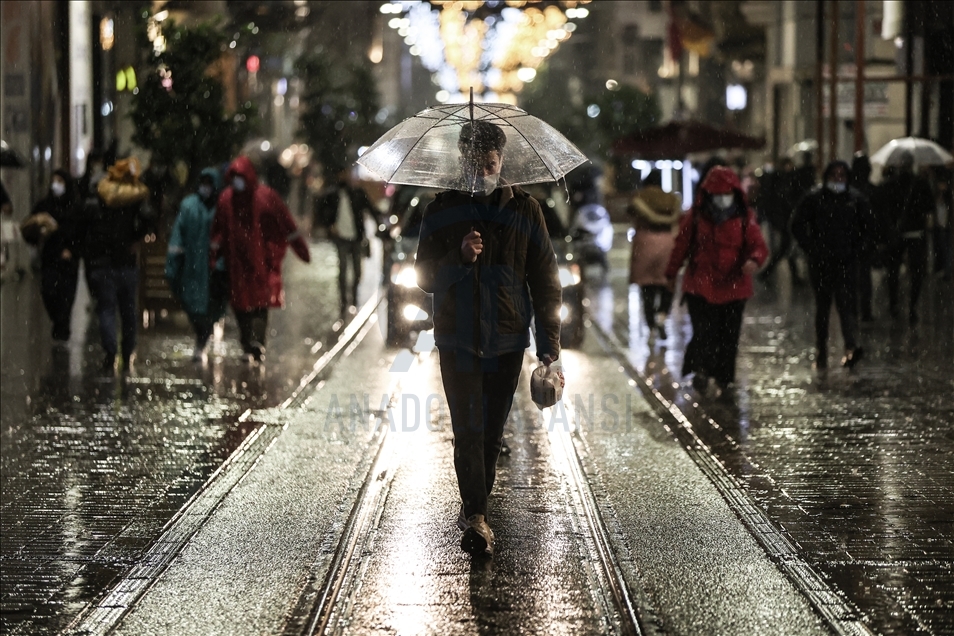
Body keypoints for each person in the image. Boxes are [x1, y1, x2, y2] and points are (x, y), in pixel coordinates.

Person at [415, 120, 562, 557]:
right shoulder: (441, 210)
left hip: (507, 339)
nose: (483, 171)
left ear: (501, 162)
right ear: (463, 161)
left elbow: (546, 280)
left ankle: (477, 509)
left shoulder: (526, 210)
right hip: (458, 337)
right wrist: (459, 258)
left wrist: (549, 344)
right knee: (468, 428)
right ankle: (476, 515)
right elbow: (423, 277)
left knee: (491, 433)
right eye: (475, 163)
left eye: (491, 163)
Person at [665, 165, 768, 396]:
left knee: (728, 337)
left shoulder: (744, 217)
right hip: (701, 286)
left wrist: (754, 260)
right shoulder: (696, 216)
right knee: (704, 333)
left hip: (735, 287)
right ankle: (702, 369)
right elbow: (681, 246)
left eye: (726, 194)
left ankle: (724, 379)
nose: (722, 199)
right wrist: (671, 274)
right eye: (717, 194)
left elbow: (758, 245)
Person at [210, 156, 311, 362]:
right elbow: (218, 232)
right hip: (236, 263)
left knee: (258, 302)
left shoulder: (264, 197)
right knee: (241, 303)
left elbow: (286, 225)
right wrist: (213, 257)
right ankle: (249, 343)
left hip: (261, 261)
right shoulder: (227, 200)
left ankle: (255, 343)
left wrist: (300, 250)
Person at [791, 160, 874, 370]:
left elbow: (868, 227)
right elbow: (797, 224)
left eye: (842, 175)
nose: (838, 179)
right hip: (821, 263)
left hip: (845, 261)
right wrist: (811, 248)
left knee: (846, 305)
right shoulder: (814, 198)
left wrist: (856, 249)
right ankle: (821, 350)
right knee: (823, 307)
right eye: (834, 175)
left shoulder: (855, 200)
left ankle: (850, 346)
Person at [78, 157, 152, 375]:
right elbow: (148, 219)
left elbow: (86, 226)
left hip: (104, 263)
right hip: (126, 263)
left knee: (107, 310)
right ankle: (127, 352)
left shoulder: (100, 194)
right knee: (128, 311)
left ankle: (111, 352)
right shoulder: (133, 198)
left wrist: (92, 252)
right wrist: (135, 238)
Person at [166, 168, 227, 361]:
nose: (206, 189)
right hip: (192, 267)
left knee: (211, 307)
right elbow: (179, 234)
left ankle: (202, 340)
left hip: (212, 269)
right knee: (194, 307)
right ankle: (201, 338)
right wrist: (173, 264)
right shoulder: (189, 206)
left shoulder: (221, 206)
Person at [879, 152, 935, 324]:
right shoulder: (921, 183)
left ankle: (894, 304)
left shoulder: (889, 185)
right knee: (916, 272)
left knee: (893, 271)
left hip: (896, 234)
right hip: (915, 233)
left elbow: (883, 210)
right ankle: (912, 306)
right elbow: (929, 207)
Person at [628, 170, 682, 340]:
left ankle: (651, 326)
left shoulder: (640, 198)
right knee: (667, 284)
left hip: (644, 244)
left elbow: (631, 216)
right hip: (667, 244)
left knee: (647, 288)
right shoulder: (671, 199)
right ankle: (662, 315)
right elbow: (678, 220)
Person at [30, 170, 81, 344]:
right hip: (50, 259)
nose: (56, 185)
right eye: (54, 181)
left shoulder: (75, 207)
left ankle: (62, 329)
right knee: (49, 292)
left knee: (66, 298)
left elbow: (81, 234)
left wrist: (72, 250)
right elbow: (31, 227)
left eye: (60, 181)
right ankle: (59, 325)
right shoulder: (44, 206)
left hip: (68, 263)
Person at [315, 169, 376, 316]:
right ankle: (344, 302)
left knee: (357, 271)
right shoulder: (332, 195)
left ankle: (354, 299)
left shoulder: (357, 193)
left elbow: (371, 210)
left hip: (356, 237)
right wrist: (330, 226)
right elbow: (322, 212)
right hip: (341, 238)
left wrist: (383, 224)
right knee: (343, 270)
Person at [757, 156, 800, 283]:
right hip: (785, 222)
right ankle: (767, 273)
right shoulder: (780, 182)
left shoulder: (786, 181)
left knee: (786, 249)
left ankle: (771, 273)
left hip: (786, 221)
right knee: (784, 249)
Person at [849, 153, 879, 322]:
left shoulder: (849, 190)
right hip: (864, 240)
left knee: (853, 277)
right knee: (864, 277)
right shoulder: (870, 190)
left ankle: (855, 310)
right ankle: (865, 311)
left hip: (854, 240)